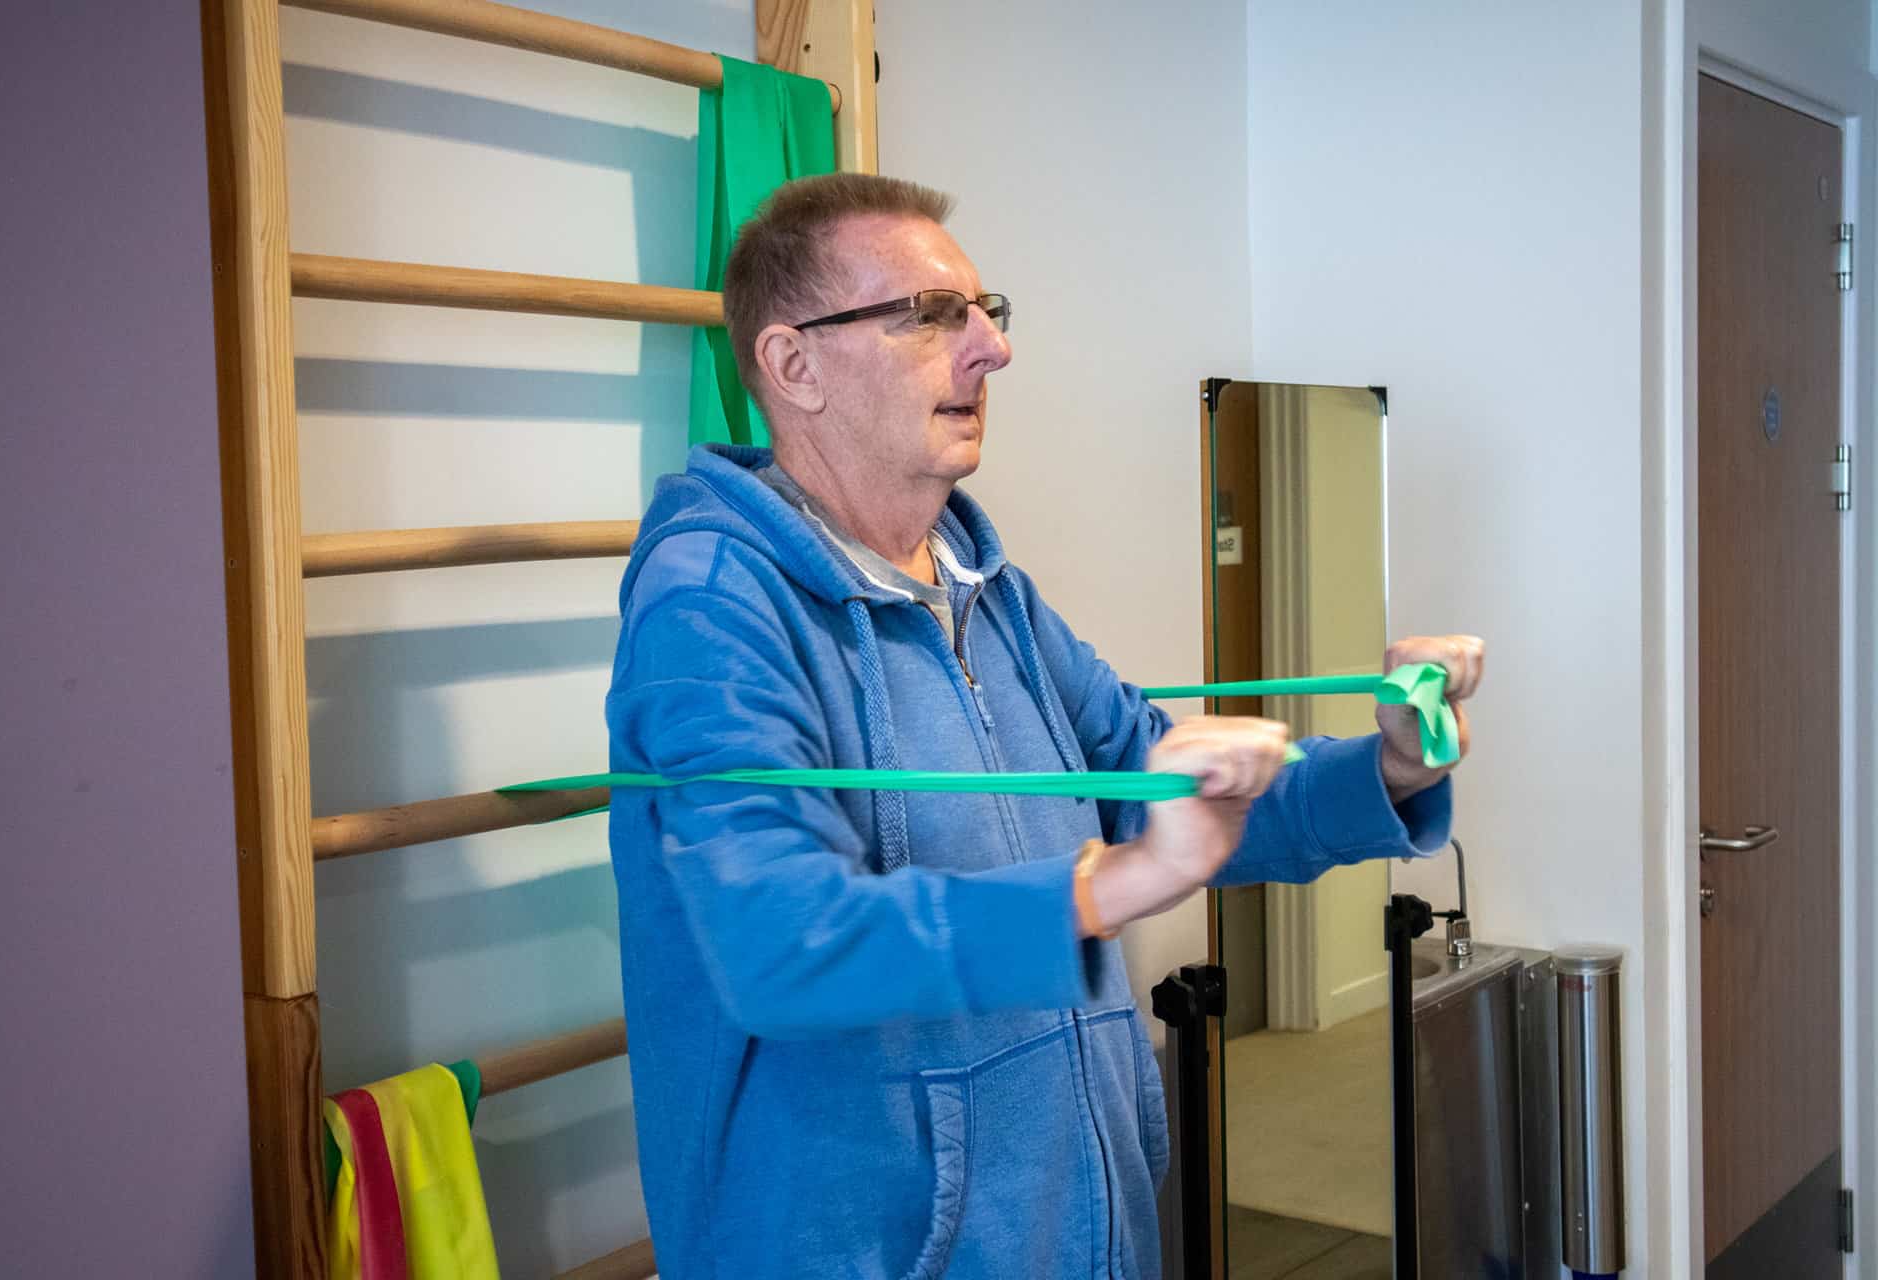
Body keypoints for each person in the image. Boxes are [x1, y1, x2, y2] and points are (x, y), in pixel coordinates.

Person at [605, 173, 1484, 1280]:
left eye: (985, 312)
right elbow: (785, 941)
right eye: (929, 315)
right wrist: (1111, 883)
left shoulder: (989, 590)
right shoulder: (709, 605)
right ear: (794, 365)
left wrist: (1395, 764)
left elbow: (1168, 789)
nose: (989, 350)